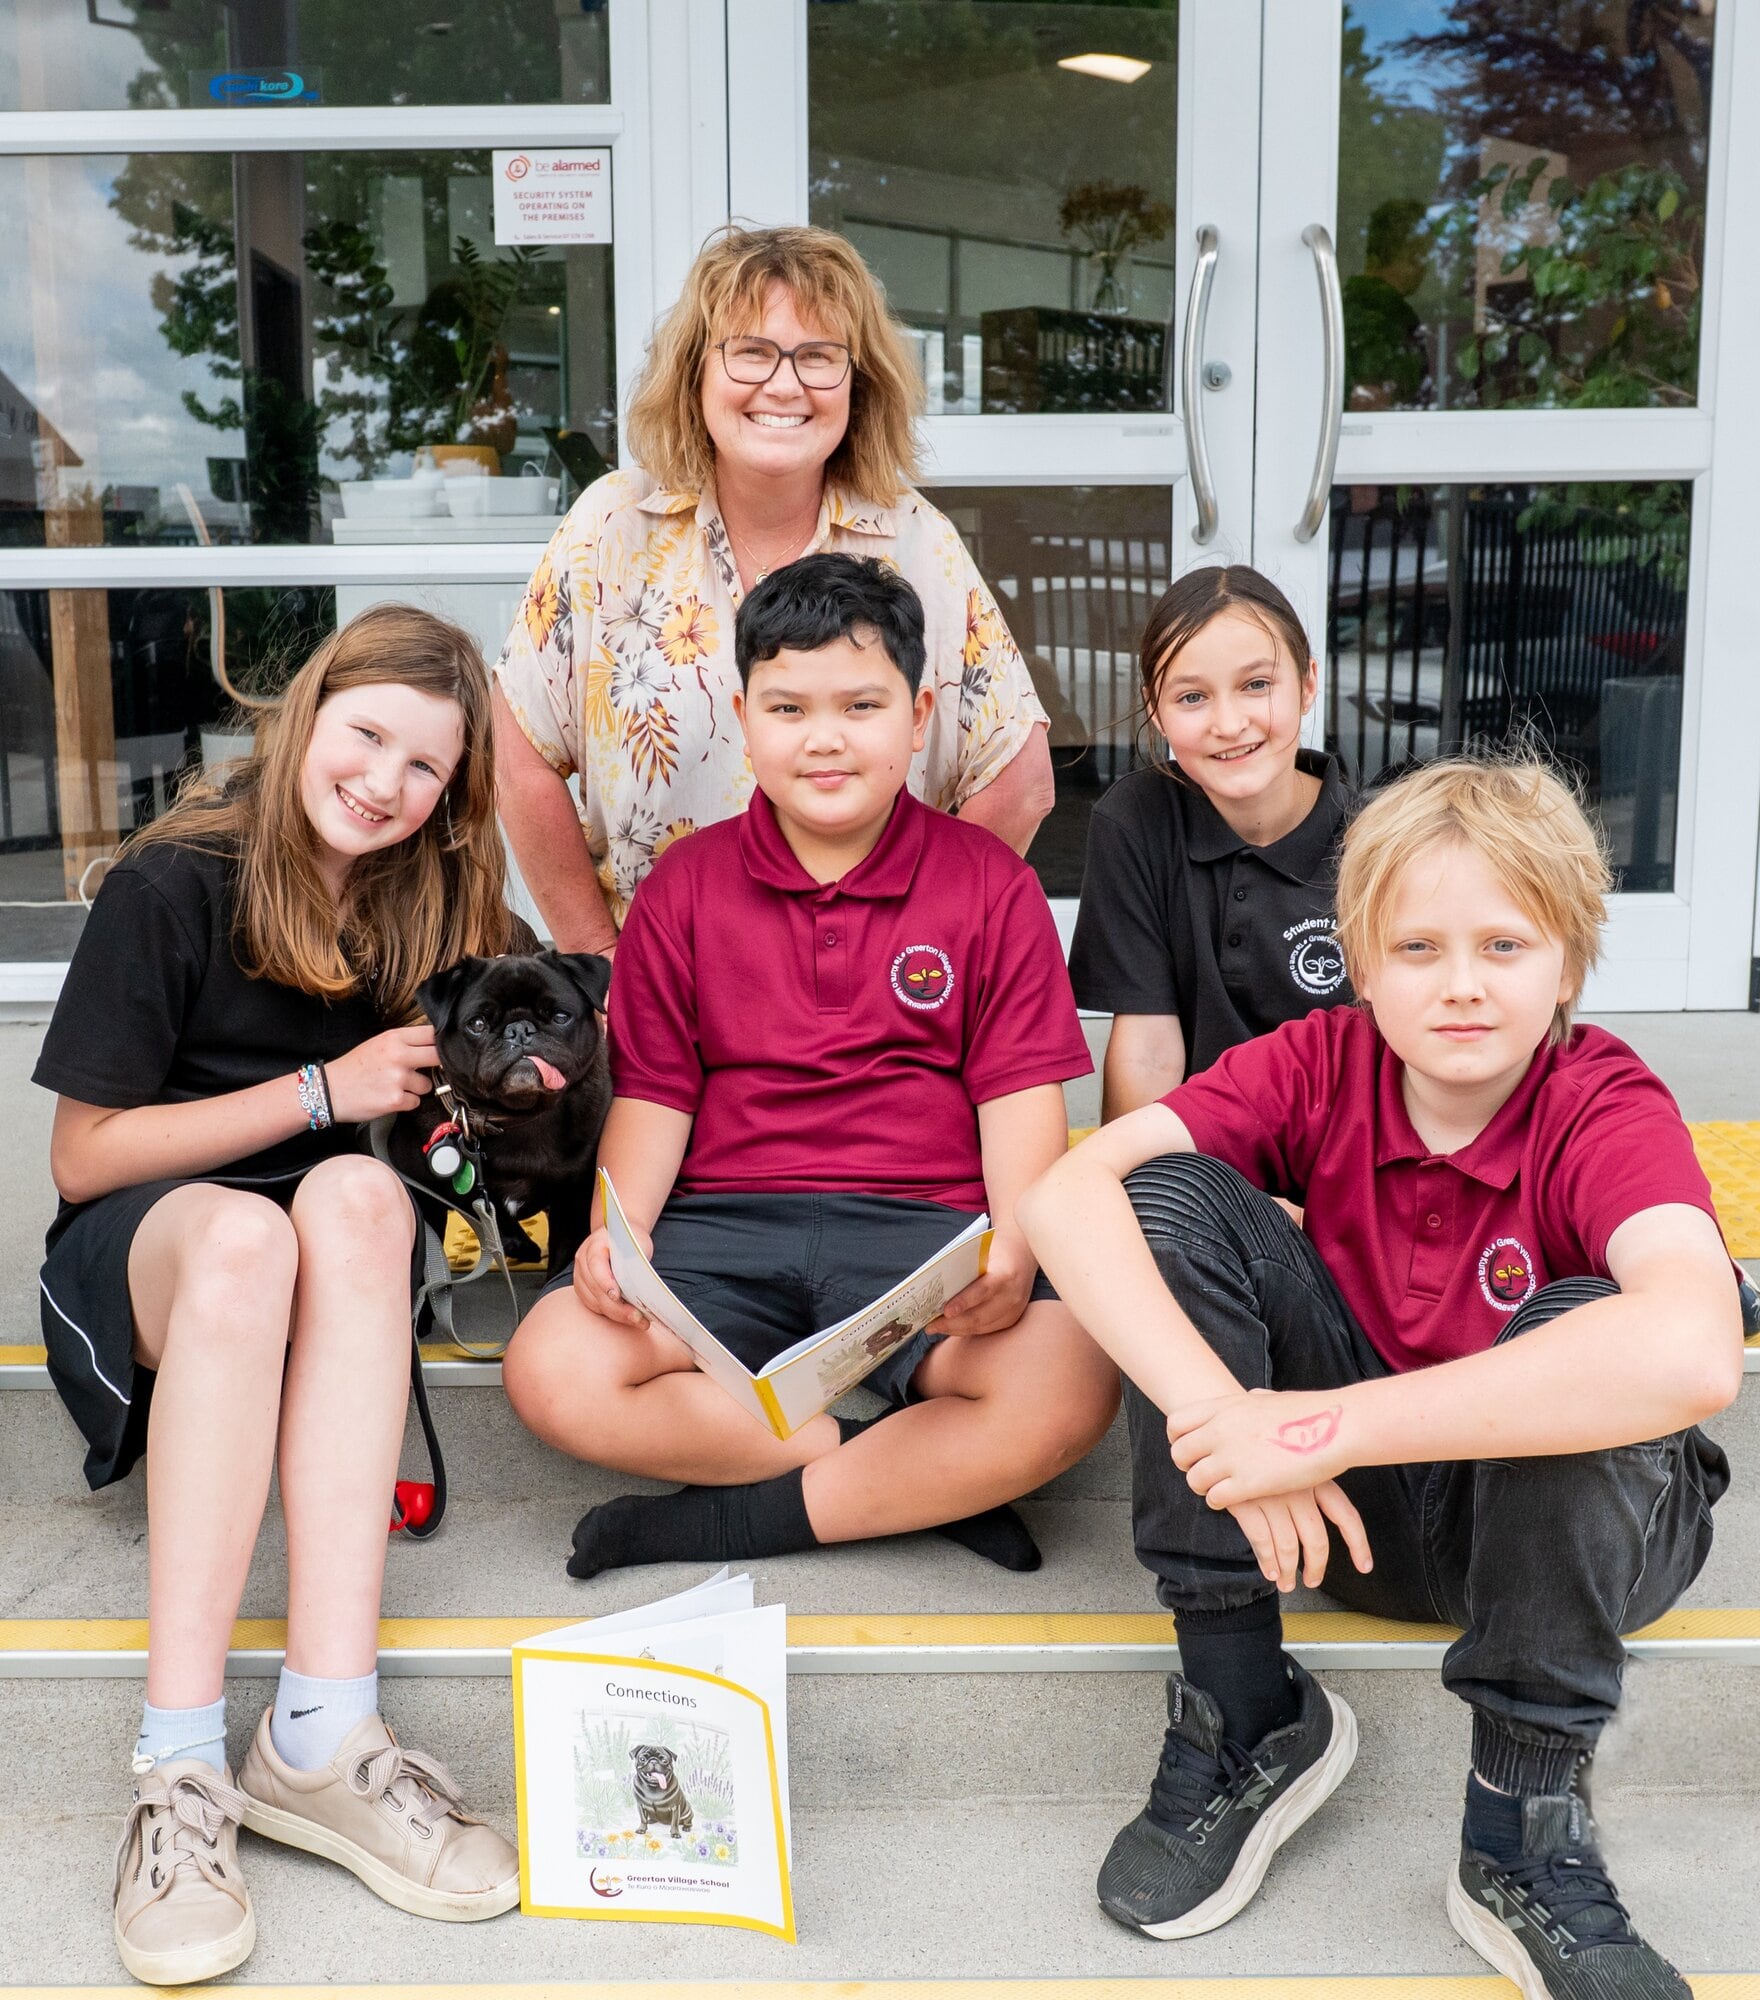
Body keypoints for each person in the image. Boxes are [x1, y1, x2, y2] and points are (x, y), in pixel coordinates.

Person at [1018, 757, 1740, 1995]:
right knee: (1165, 1199)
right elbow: (1063, 1193)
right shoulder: (1317, 1059)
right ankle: (1246, 1707)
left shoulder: (1599, 1098)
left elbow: (1690, 1344)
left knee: (1596, 1322)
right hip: (1351, 1522)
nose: (1459, 985)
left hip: (1564, 1538)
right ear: (1359, 962)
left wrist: (1313, 1429)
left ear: (1566, 966)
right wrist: (1219, 1415)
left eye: (1504, 945)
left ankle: (1520, 1819)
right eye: (1415, 947)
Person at [36, 606, 523, 1986]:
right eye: (367, 734)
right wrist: (322, 1089)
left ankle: (319, 1734)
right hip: (153, 1256)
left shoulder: (437, 901)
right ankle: (179, 1770)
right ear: (309, 711)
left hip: (333, 1261)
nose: (385, 781)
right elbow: (85, 1156)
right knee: (252, 1241)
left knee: (364, 1200)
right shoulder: (173, 880)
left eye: (426, 767)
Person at [501, 553, 1117, 1578]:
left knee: (1069, 1380)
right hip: (721, 1236)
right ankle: (898, 1479)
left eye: (860, 703)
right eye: (787, 706)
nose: (823, 736)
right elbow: (655, 1091)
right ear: (743, 718)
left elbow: (1015, 1095)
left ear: (917, 716)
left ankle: (710, 1524)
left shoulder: (988, 885)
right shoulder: (683, 888)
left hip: (923, 1245)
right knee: (552, 1365)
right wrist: (621, 1235)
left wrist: (1010, 1249)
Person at [492, 224, 1054, 955]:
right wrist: (600, 961)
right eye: (751, 352)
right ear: (697, 370)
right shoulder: (612, 525)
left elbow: (1020, 780)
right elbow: (521, 754)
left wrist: (911, 943)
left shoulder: (915, 542)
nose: (784, 385)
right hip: (658, 990)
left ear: (859, 381)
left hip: (858, 1005)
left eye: (818, 357)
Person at [1067, 564, 1353, 1120]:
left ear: (1309, 683)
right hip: (1201, 1165)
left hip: (1342, 1164)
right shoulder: (1135, 821)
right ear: (1155, 707)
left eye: (1257, 685)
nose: (1228, 723)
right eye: (1193, 697)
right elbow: (1149, 1052)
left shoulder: (1379, 839)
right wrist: (1142, 1186)